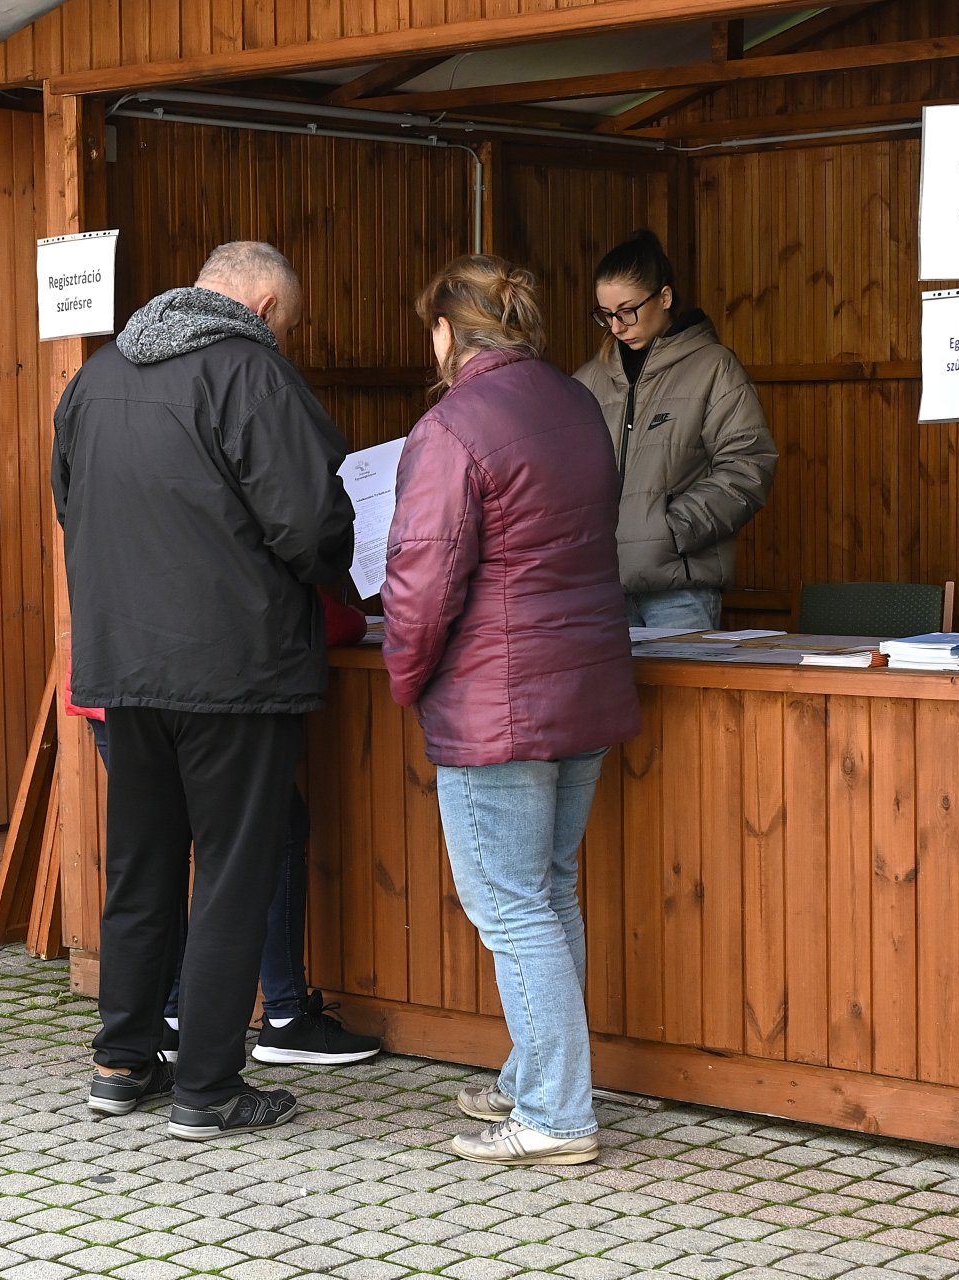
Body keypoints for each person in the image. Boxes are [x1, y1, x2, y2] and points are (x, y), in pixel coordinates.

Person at [52, 242, 357, 1141]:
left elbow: (69, 502)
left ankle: (122, 1061)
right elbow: (312, 524)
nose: (283, 339)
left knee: (141, 866)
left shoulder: (97, 377)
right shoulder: (252, 374)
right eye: (286, 325)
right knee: (232, 871)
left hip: (125, 666)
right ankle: (210, 1087)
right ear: (263, 309)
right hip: (234, 669)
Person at [383, 255, 641, 1167]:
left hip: (498, 699)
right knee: (550, 892)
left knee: (511, 907)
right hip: (584, 681)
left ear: (447, 333)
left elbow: (421, 580)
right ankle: (536, 1076)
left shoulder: (452, 425)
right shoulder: (574, 402)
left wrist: (406, 675)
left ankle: (556, 1115)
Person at [69, 594, 382, 1071]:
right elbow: (309, 615)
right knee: (266, 838)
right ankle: (282, 1015)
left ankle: (168, 1022)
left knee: (156, 858)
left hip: (114, 688)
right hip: (200, 694)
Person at [572, 230, 777, 632]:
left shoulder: (713, 367)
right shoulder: (587, 381)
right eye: (606, 314)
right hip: (601, 589)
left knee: (685, 679)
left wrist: (672, 530)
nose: (616, 326)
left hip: (680, 589)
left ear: (664, 297)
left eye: (627, 311)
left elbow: (749, 466)